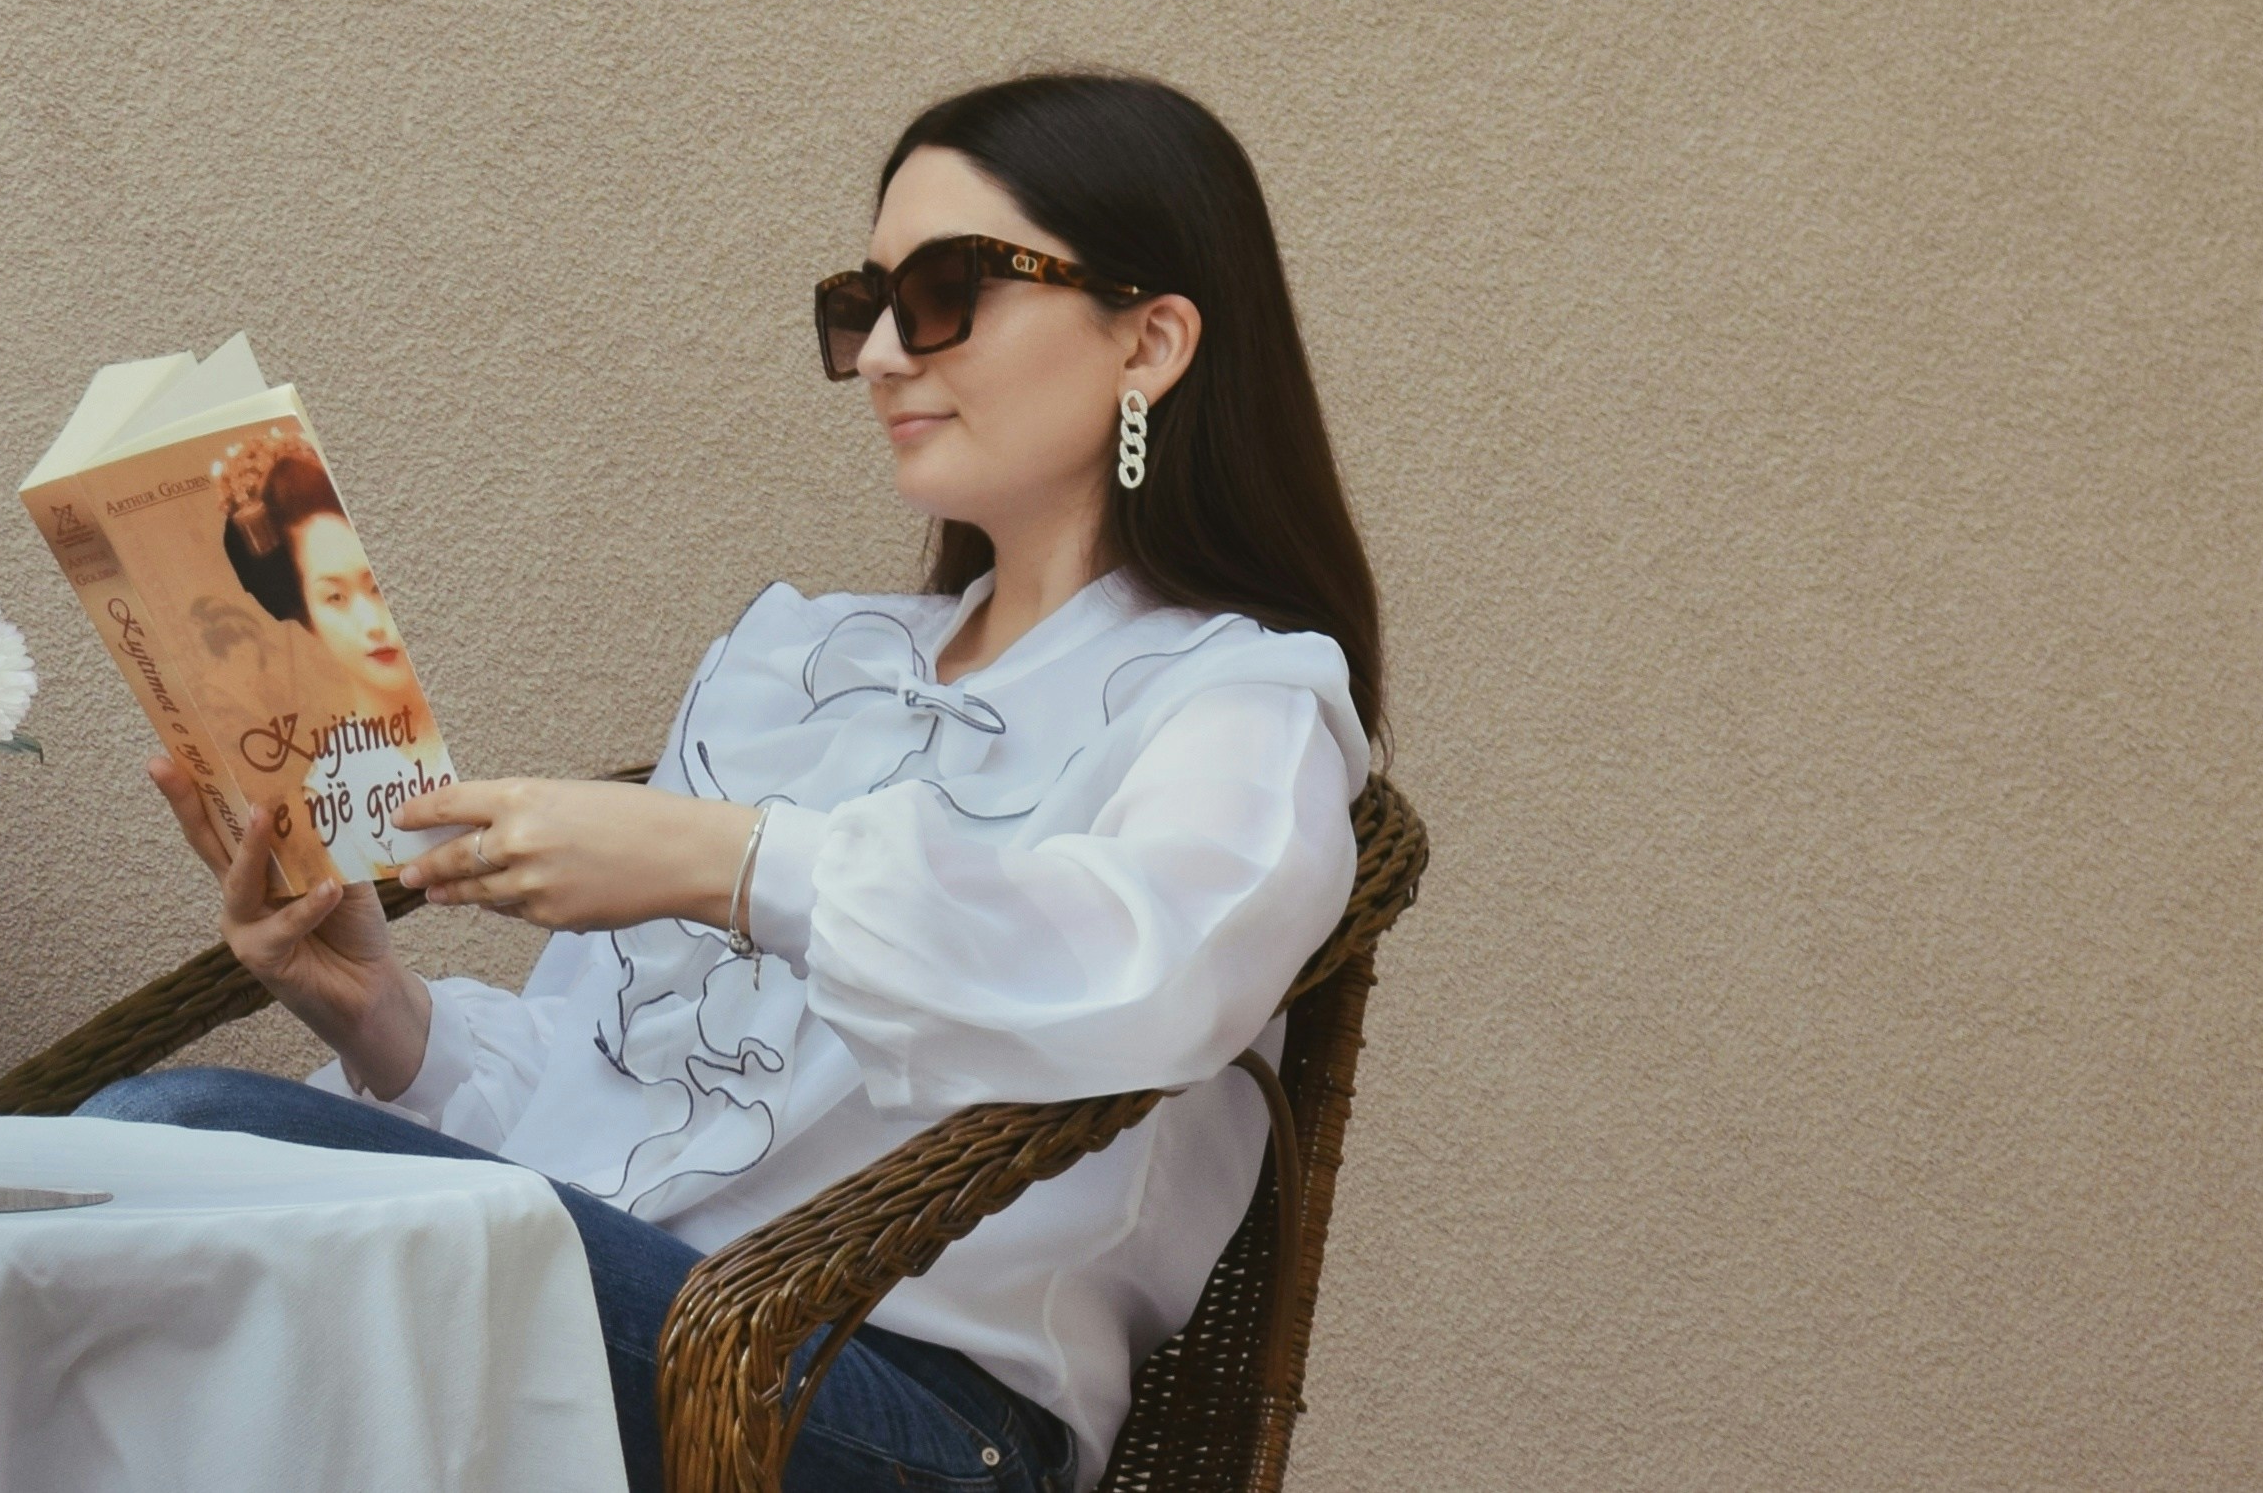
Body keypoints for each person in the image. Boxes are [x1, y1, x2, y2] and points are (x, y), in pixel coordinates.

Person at [83, 72, 1383, 1493]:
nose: (882, 352)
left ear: (1151, 341)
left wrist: (736, 864)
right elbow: (619, 1095)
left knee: (163, 1152)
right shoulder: (802, 666)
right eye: (863, 302)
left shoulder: (1241, 699)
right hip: (631, 1306)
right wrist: (382, 1014)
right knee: (89, 1196)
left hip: (895, 1406)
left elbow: (1157, 971)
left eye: (944, 291)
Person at [215, 424, 427, 709]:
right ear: (307, 616)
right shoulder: (331, 755)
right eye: (335, 597)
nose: (373, 625)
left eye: (378, 587)